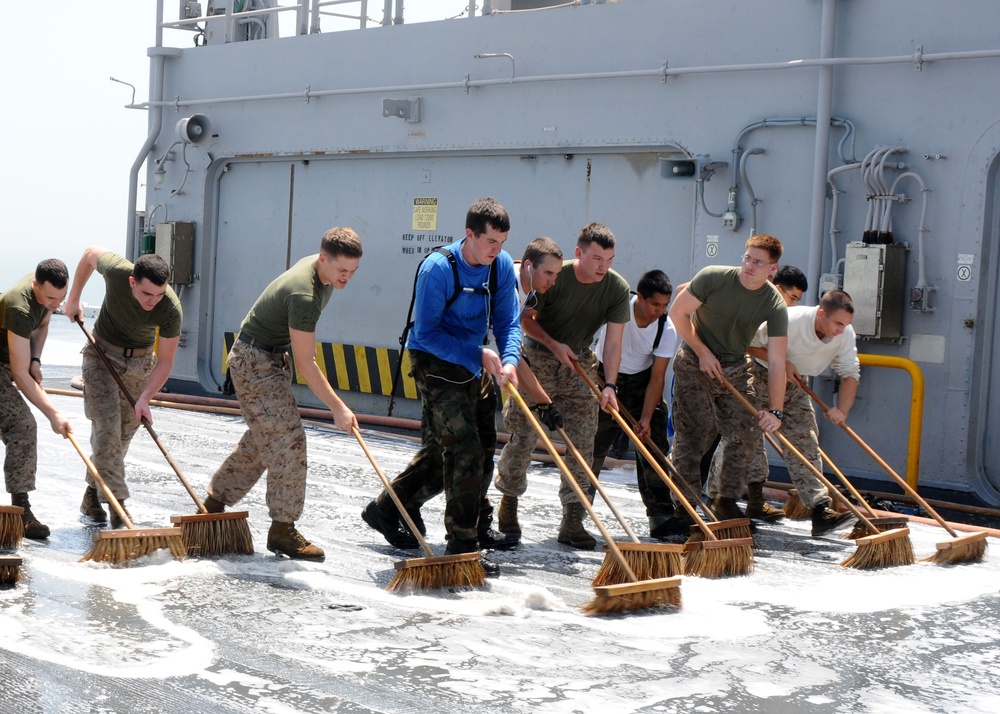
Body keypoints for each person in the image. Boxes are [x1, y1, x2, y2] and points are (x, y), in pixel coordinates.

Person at [362, 198, 521, 569]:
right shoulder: (438, 269)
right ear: (469, 234)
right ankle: (462, 546)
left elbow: (508, 323)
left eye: (502, 242)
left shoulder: (499, 267)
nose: (497, 251)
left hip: (474, 361)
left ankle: (388, 508)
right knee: (463, 448)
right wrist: (478, 354)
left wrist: (509, 361)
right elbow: (427, 333)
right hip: (435, 361)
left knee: (477, 450)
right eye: (490, 243)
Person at [203, 227, 363, 561]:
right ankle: (282, 530)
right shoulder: (304, 294)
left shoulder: (323, 273)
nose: (347, 278)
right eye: (342, 270)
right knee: (288, 439)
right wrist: (338, 407)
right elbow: (307, 363)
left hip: (269, 358)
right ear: (324, 258)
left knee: (265, 439)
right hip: (255, 362)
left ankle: (215, 503)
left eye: (353, 271)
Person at [496, 223, 630, 550]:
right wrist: (554, 344)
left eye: (609, 259)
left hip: (580, 363)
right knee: (524, 434)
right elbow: (526, 320)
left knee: (583, 440)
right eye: (597, 258)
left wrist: (610, 384)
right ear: (579, 253)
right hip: (538, 358)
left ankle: (573, 518)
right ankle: (509, 503)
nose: (603, 266)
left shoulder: (615, 288)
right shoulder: (555, 276)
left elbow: (613, 344)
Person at [667, 234, 788, 526]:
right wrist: (703, 352)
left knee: (746, 435)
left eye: (758, 262)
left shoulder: (774, 303)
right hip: (695, 361)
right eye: (747, 257)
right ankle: (684, 507)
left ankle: (725, 500)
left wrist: (775, 409)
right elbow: (677, 313)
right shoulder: (714, 277)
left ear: (772, 269)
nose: (749, 265)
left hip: (735, 366)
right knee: (695, 436)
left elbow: (776, 361)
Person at [65, 249, 182, 528]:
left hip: (140, 365)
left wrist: (145, 398)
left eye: (159, 294)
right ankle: (119, 509)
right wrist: (74, 298)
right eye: (146, 294)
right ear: (132, 282)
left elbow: (165, 362)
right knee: (106, 429)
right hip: (101, 355)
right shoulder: (118, 271)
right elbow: (89, 254)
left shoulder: (170, 308)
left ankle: (92, 494)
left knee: (121, 437)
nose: (153, 301)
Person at [745, 290, 859, 535]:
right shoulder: (789, 319)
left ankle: (820, 510)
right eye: (838, 323)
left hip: (796, 383)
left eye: (846, 324)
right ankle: (737, 500)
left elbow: (850, 373)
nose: (842, 329)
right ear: (821, 314)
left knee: (805, 439)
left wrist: (842, 410)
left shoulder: (845, 334)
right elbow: (747, 343)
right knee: (746, 439)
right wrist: (782, 362)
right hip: (759, 374)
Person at [591, 269, 678, 539]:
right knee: (591, 445)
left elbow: (657, 377)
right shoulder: (617, 310)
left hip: (641, 384)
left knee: (654, 449)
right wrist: (608, 386)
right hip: (603, 378)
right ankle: (576, 514)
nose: (660, 311)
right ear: (639, 297)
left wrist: (646, 418)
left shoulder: (667, 328)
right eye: (655, 304)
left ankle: (661, 516)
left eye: (665, 305)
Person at [0, 259, 73, 538]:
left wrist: (35, 358)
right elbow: (20, 376)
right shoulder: (18, 306)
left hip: (10, 359)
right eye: (51, 298)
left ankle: (20, 509)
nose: (56, 304)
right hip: (4, 363)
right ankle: (21, 512)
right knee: (22, 424)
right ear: (35, 286)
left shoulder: (46, 289)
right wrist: (53, 414)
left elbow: (42, 325)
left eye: (61, 298)